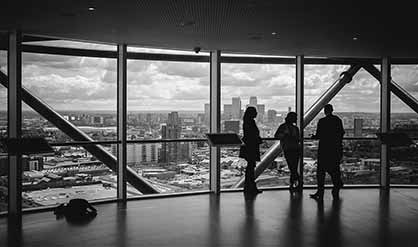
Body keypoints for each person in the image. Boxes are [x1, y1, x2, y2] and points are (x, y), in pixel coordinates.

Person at [310, 104, 344, 200]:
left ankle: (320, 192)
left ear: (325, 111)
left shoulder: (322, 121)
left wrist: (314, 136)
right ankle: (336, 189)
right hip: (335, 149)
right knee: (335, 170)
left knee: (321, 172)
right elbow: (341, 133)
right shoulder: (337, 120)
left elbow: (318, 135)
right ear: (332, 110)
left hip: (324, 149)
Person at [274, 112, 301, 192]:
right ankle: (296, 183)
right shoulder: (295, 128)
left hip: (289, 149)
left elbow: (277, 136)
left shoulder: (284, 127)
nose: (296, 119)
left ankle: (294, 184)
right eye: (295, 118)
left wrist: (285, 136)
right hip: (293, 149)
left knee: (292, 167)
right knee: (293, 167)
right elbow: (298, 139)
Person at [239, 106, 263, 194]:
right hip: (251, 147)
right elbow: (253, 134)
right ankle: (251, 187)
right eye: (255, 112)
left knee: (250, 168)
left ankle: (248, 187)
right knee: (251, 168)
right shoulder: (251, 122)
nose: (256, 113)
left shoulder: (246, 122)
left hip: (248, 146)